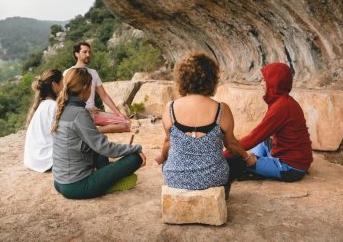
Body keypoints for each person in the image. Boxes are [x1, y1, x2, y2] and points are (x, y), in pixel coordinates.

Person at [155, 52, 256, 196]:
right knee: (238, 161)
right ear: (212, 79)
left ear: (182, 79)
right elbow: (231, 145)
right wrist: (247, 157)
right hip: (213, 178)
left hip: (176, 178)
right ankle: (222, 191)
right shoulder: (222, 109)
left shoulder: (170, 108)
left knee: (167, 163)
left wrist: (162, 157)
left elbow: (167, 141)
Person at [51, 68, 146, 199]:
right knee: (135, 158)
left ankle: (106, 177)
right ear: (85, 87)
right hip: (77, 186)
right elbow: (105, 148)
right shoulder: (79, 114)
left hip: (60, 182)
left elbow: (97, 143)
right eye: (91, 86)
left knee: (97, 140)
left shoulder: (62, 108)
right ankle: (109, 183)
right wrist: (136, 148)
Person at [224, 62, 313, 182]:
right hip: (293, 158)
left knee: (236, 161)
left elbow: (254, 138)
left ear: (274, 83)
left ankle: (256, 166)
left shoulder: (282, 106)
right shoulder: (283, 102)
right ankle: (259, 165)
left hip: (291, 167)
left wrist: (225, 154)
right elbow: (259, 137)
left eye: (264, 80)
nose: (261, 84)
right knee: (261, 143)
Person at [64, 41, 130, 133]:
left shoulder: (93, 73)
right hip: (78, 114)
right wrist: (86, 110)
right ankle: (92, 131)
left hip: (94, 115)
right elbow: (64, 97)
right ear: (76, 54)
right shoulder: (68, 73)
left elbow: (104, 96)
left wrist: (118, 113)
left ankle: (91, 131)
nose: (88, 54)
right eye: (84, 52)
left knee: (125, 123)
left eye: (89, 52)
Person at [24, 69, 63, 173]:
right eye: (62, 83)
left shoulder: (42, 104)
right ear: (55, 85)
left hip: (32, 159)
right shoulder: (54, 106)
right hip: (44, 161)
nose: (64, 86)